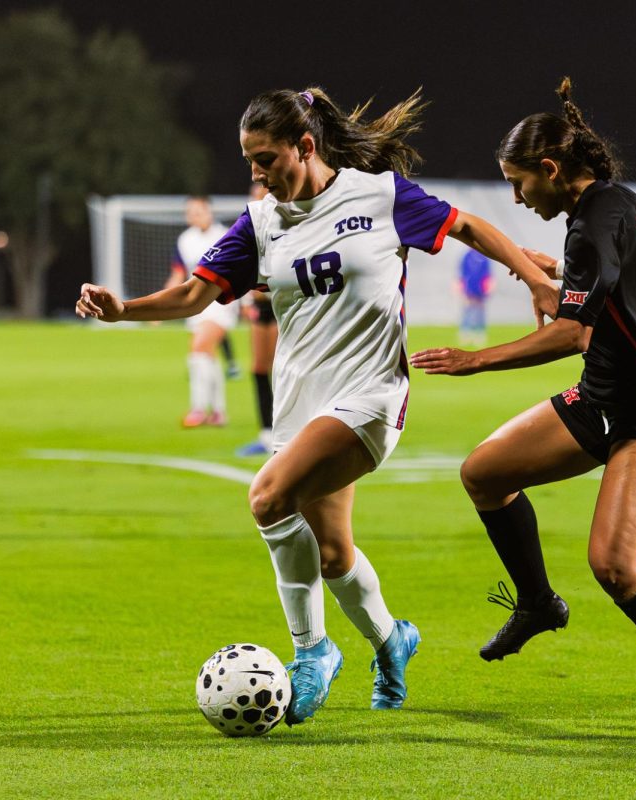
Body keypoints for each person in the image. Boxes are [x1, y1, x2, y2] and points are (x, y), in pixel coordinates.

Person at [76, 87, 560, 725]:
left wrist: (532, 274)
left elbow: (466, 224)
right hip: (300, 404)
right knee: (332, 555)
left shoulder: (379, 196)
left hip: (369, 398)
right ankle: (393, 641)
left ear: (306, 147)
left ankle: (312, 652)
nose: (257, 172)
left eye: (267, 157)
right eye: (249, 159)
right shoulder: (260, 222)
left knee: (268, 497)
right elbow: (196, 296)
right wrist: (124, 310)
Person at [411, 78, 636, 742]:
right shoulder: (616, 206)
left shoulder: (595, 222)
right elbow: (605, 294)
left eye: (520, 182)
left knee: (614, 563)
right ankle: (535, 602)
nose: (519, 196)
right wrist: (558, 282)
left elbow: (573, 333)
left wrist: (476, 359)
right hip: (605, 398)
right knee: (484, 475)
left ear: (551, 170)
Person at [162, 195, 240, 427]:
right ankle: (218, 412)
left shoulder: (224, 235)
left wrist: (245, 303)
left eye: (197, 211)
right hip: (195, 305)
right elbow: (178, 274)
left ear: (209, 212)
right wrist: (162, 303)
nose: (193, 216)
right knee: (208, 355)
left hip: (221, 303)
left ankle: (197, 409)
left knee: (198, 349)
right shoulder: (185, 240)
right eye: (190, 212)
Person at [235, 183, 278, 456]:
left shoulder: (288, 225)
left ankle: (290, 433)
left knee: (285, 369)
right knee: (259, 369)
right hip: (261, 308)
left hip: (283, 306)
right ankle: (266, 435)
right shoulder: (253, 228)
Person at [457, 248, 493, 346]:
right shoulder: (467, 256)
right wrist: (460, 287)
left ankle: (479, 333)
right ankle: (466, 333)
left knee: (480, 313)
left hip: (480, 290)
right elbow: (461, 274)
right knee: (467, 311)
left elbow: (488, 274)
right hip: (469, 289)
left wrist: (489, 287)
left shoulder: (484, 257)